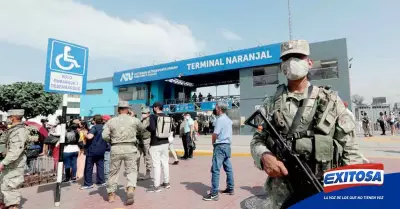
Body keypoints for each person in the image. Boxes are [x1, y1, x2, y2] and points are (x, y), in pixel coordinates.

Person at [250, 40, 365, 209]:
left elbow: (351, 151)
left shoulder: (330, 101)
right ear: (282, 66)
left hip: (325, 186)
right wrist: (264, 156)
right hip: (283, 192)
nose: (291, 62)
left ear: (309, 63)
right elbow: (257, 141)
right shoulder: (271, 104)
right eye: (287, 58)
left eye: (297, 56)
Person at [102, 101, 144, 205]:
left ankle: (111, 195)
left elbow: (104, 136)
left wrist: (112, 141)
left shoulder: (111, 121)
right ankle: (130, 189)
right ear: (128, 109)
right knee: (131, 170)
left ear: (118, 109)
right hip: (130, 147)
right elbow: (142, 130)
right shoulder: (134, 120)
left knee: (113, 172)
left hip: (116, 148)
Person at [203, 102, 234, 201]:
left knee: (215, 169)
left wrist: (213, 143)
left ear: (219, 108)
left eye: (216, 107)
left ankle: (214, 193)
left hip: (220, 146)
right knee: (228, 168)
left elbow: (215, 134)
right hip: (227, 146)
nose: (215, 108)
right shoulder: (228, 120)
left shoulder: (219, 120)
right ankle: (230, 188)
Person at [0, 109, 29, 209]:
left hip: (15, 163)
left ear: (13, 117)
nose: (7, 119)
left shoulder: (19, 130)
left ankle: (12, 206)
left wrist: (4, 162)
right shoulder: (13, 129)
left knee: (11, 186)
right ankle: (5, 204)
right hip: (10, 162)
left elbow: (16, 149)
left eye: (9, 117)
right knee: (4, 184)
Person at [146, 102, 172, 193]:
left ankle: (156, 186)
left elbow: (152, 128)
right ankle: (166, 182)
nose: (153, 108)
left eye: (153, 107)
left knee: (156, 165)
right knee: (165, 163)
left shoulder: (153, 117)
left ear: (156, 108)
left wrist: (147, 128)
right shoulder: (167, 116)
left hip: (155, 143)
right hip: (165, 142)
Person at [81, 115, 107, 189]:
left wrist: (85, 133)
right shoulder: (104, 128)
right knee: (100, 166)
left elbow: (90, 136)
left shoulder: (94, 128)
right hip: (101, 150)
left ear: (94, 120)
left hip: (92, 150)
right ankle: (101, 181)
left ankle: (88, 183)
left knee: (89, 167)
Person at [137, 107, 152, 181]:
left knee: (147, 156)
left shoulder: (149, 120)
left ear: (148, 113)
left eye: (144, 113)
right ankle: (136, 173)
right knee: (137, 156)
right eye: (142, 113)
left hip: (146, 139)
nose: (143, 114)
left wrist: (140, 121)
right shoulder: (141, 119)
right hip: (139, 140)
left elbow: (142, 128)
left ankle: (148, 173)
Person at [102, 115, 112, 182]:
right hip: (108, 147)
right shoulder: (112, 126)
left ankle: (106, 178)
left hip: (106, 147)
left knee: (106, 163)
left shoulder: (106, 127)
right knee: (107, 162)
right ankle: (106, 178)